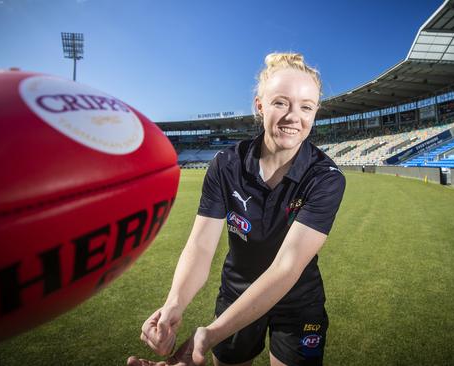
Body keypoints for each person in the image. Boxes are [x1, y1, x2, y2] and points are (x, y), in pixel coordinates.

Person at [128, 52, 346, 366]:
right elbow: (201, 246)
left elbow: (286, 268)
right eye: (281, 102)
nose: (293, 117)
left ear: (315, 112)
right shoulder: (226, 164)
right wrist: (173, 307)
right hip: (236, 294)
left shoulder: (326, 178)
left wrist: (211, 334)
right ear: (260, 106)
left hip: (299, 304)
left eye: (306, 106)